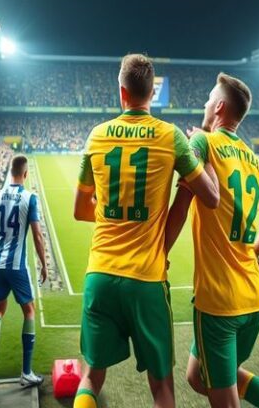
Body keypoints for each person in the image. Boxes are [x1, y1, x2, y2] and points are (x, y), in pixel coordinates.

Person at [71, 54, 219, 408]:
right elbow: (211, 198)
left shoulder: (97, 135)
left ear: (121, 91)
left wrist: (114, 219)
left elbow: (79, 210)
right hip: (147, 280)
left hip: (100, 275)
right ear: (153, 91)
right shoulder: (171, 138)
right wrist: (203, 156)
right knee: (162, 387)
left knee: (91, 377)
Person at [166, 74, 259, 408]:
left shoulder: (203, 144)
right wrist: (251, 251)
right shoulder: (252, 159)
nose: (204, 103)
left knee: (223, 399)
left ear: (218, 107)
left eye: (208, 98)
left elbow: (181, 205)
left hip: (219, 303)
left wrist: (159, 254)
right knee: (197, 376)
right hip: (253, 300)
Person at [0, 154, 48, 387]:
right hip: (16, 265)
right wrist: (44, 263)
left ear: (10, 171)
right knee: (29, 311)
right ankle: (26, 372)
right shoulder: (30, 198)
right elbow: (37, 235)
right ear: (25, 174)